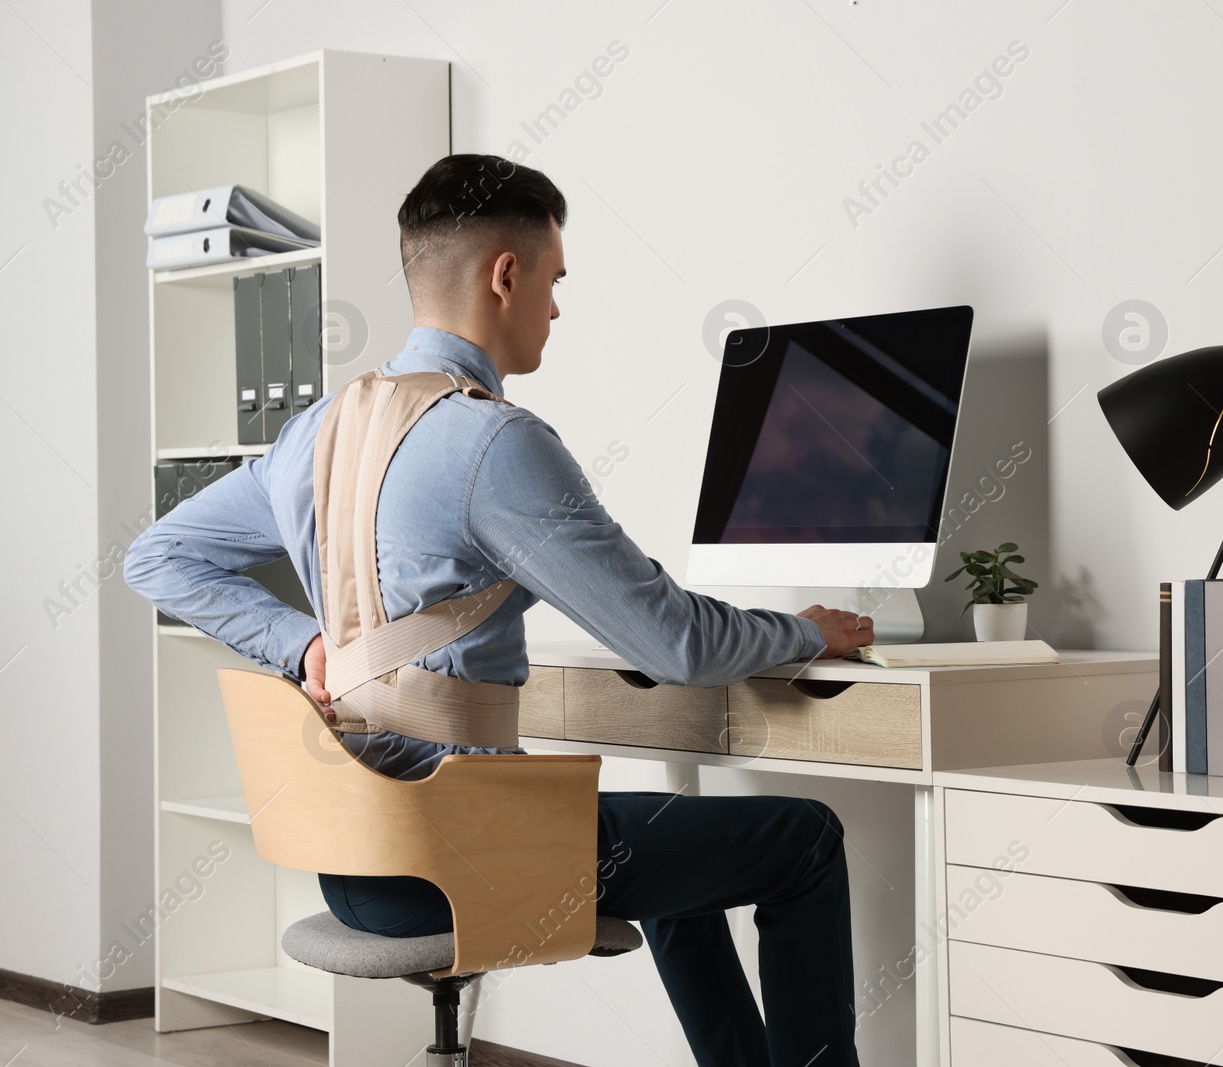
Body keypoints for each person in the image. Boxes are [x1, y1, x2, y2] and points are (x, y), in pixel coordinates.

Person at [123, 153, 871, 1066]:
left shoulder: (316, 430)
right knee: (804, 840)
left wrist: (305, 644)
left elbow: (156, 554)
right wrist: (808, 632)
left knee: (680, 847)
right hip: (464, 859)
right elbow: (674, 642)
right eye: (554, 281)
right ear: (504, 275)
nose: (557, 308)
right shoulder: (496, 443)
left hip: (359, 857)